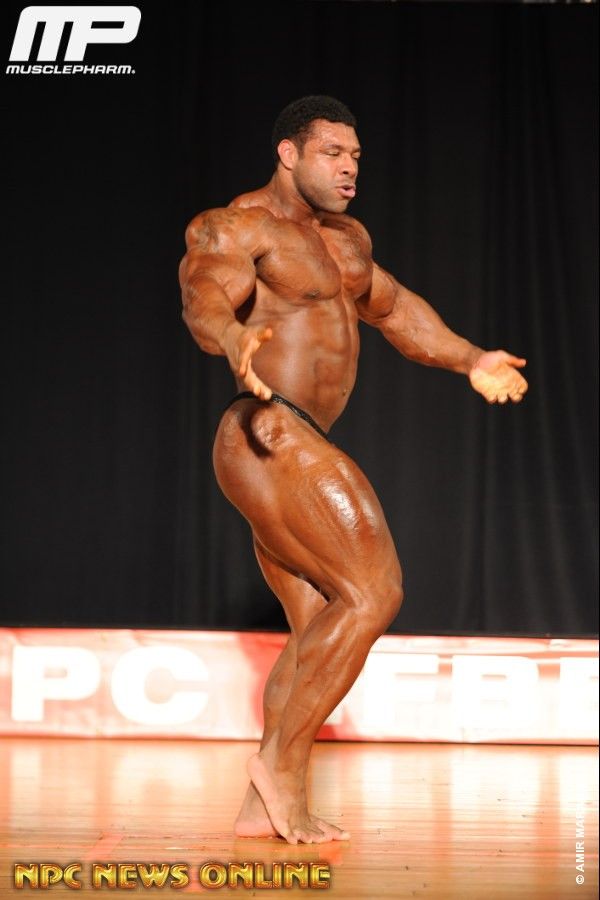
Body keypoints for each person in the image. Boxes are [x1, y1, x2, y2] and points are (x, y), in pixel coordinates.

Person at [179, 95, 528, 845]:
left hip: (294, 438)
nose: (350, 169)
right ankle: (280, 769)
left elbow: (396, 310)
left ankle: (263, 804)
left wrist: (472, 359)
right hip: (267, 428)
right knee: (376, 591)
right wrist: (230, 336)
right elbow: (203, 292)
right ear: (288, 154)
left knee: (320, 627)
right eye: (333, 154)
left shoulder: (346, 240)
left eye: (356, 157)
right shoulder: (237, 225)